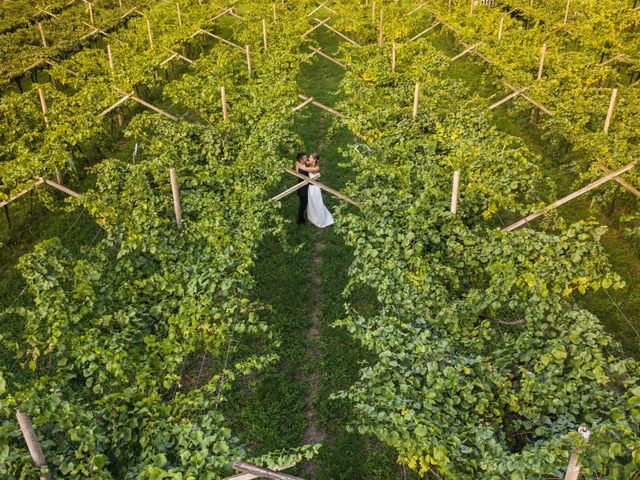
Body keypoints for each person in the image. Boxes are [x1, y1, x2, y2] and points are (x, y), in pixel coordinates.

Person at [306, 153, 334, 228]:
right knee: (312, 203)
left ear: (314, 160)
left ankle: (320, 219)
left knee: (317, 203)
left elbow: (303, 169)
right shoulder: (311, 166)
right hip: (310, 188)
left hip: (315, 188)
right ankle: (313, 217)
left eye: (310, 157)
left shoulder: (316, 168)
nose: (309, 158)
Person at [295, 152, 319, 225]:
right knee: (303, 205)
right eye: (305, 158)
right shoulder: (300, 166)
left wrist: (314, 161)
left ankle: (305, 216)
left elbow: (308, 163)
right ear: (300, 159)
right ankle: (300, 221)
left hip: (305, 188)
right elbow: (303, 168)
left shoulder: (300, 163)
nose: (307, 159)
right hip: (302, 190)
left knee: (305, 204)